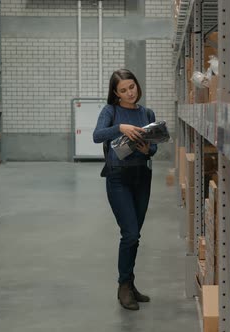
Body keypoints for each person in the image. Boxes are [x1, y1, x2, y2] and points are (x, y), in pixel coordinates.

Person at [93, 69, 157, 311]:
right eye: (123, 90)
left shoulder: (147, 113)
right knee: (130, 234)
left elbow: (153, 149)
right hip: (118, 178)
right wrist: (120, 128)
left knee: (135, 235)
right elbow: (97, 136)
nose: (130, 93)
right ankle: (123, 286)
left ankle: (130, 283)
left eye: (132, 87)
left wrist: (146, 151)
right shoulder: (110, 111)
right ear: (115, 93)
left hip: (142, 177)